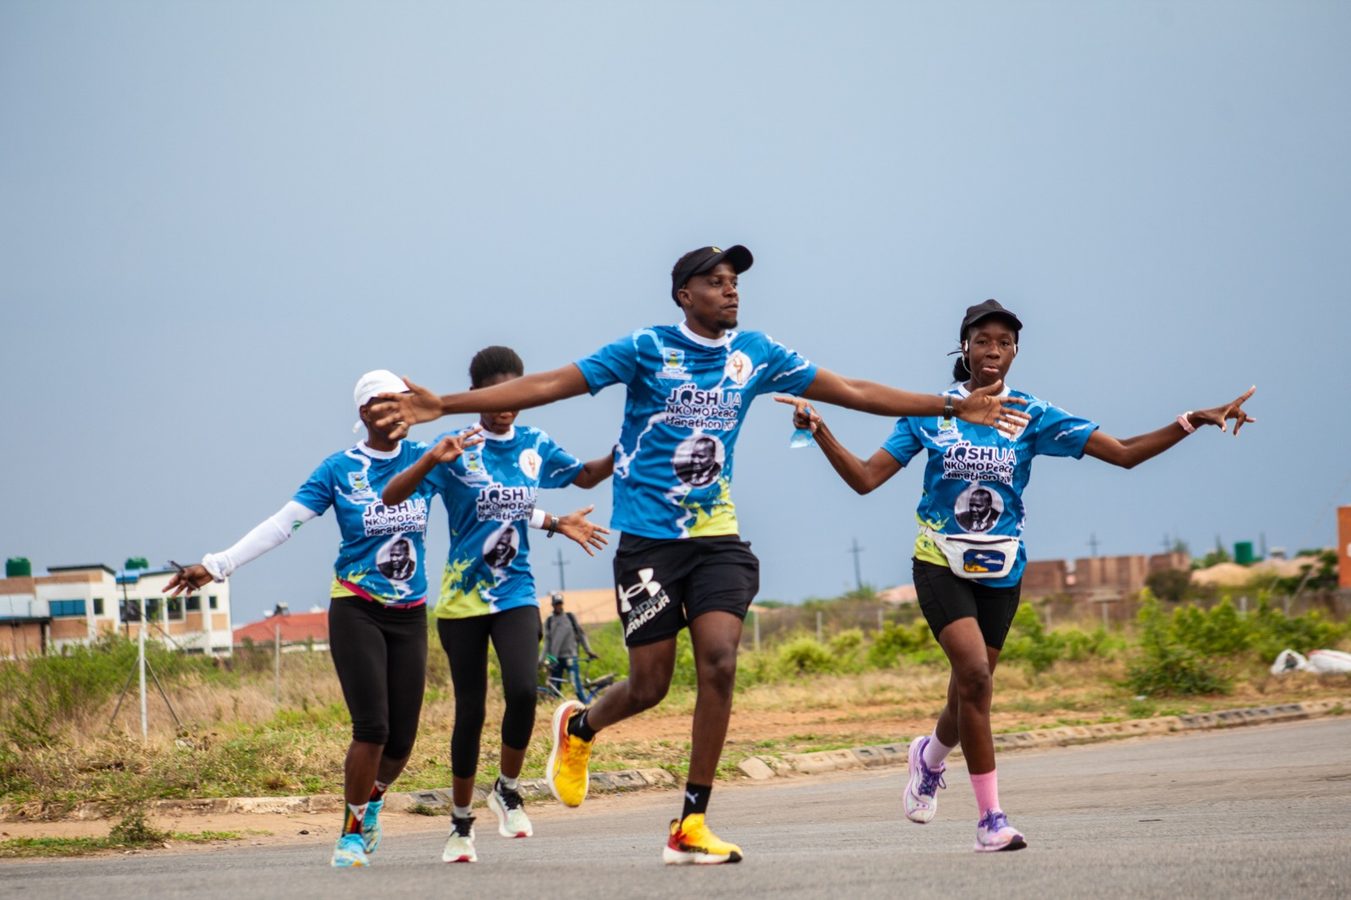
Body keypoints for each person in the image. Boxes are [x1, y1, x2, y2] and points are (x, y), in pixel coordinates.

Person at [368, 244, 1029, 865]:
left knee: (717, 662)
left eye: (735, 282)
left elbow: (851, 390)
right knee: (651, 684)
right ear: (684, 294)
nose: (729, 291)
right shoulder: (645, 349)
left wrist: (951, 403)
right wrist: (447, 404)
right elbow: (548, 386)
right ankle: (580, 728)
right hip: (648, 543)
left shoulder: (756, 352)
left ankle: (690, 822)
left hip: (716, 540)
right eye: (715, 282)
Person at [777, 298, 1256, 852]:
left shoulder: (1032, 414)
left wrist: (1192, 419)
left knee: (968, 693)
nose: (994, 351)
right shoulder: (932, 413)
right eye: (984, 341)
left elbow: (1124, 453)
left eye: (1005, 342)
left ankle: (928, 758)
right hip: (939, 560)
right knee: (977, 678)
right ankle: (991, 821)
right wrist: (821, 431)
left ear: (1015, 352)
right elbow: (865, 478)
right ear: (965, 347)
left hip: (1001, 569)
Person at [165, 370, 483, 869]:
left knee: (402, 739)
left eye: (402, 401)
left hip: (410, 611)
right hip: (355, 605)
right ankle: (351, 834)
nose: (397, 409)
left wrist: (548, 518)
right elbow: (282, 524)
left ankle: (371, 799)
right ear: (364, 414)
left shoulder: (430, 460)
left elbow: (486, 499)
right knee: (372, 728)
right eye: (384, 402)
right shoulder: (339, 470)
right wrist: (218, 564)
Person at [381, 345, 612, 864]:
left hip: (516, 592)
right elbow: (396, 495)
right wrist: (426, 459)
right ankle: (460, 824)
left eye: (514, 396)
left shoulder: (535, 444)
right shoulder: (457, 445)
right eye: (495, 396)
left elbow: (586, 475)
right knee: (471, 711)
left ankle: (507, 789)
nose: (505, 406)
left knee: (525, 691)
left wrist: (628, 450)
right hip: (461, 602)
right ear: (480, 395)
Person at [542, 593, 597, 700]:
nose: (558, 606)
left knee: (575, 684)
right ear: (552, 605)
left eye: (560, 603)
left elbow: (581, 634)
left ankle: (585, 705)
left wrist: (588, 651)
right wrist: (541, 660)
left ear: (562, 604)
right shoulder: (549, 621)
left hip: (570, 656)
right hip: (554, 659)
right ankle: (555, 709)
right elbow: (547, 643)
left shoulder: (570, 617)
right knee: (555, 688)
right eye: (556, 604)